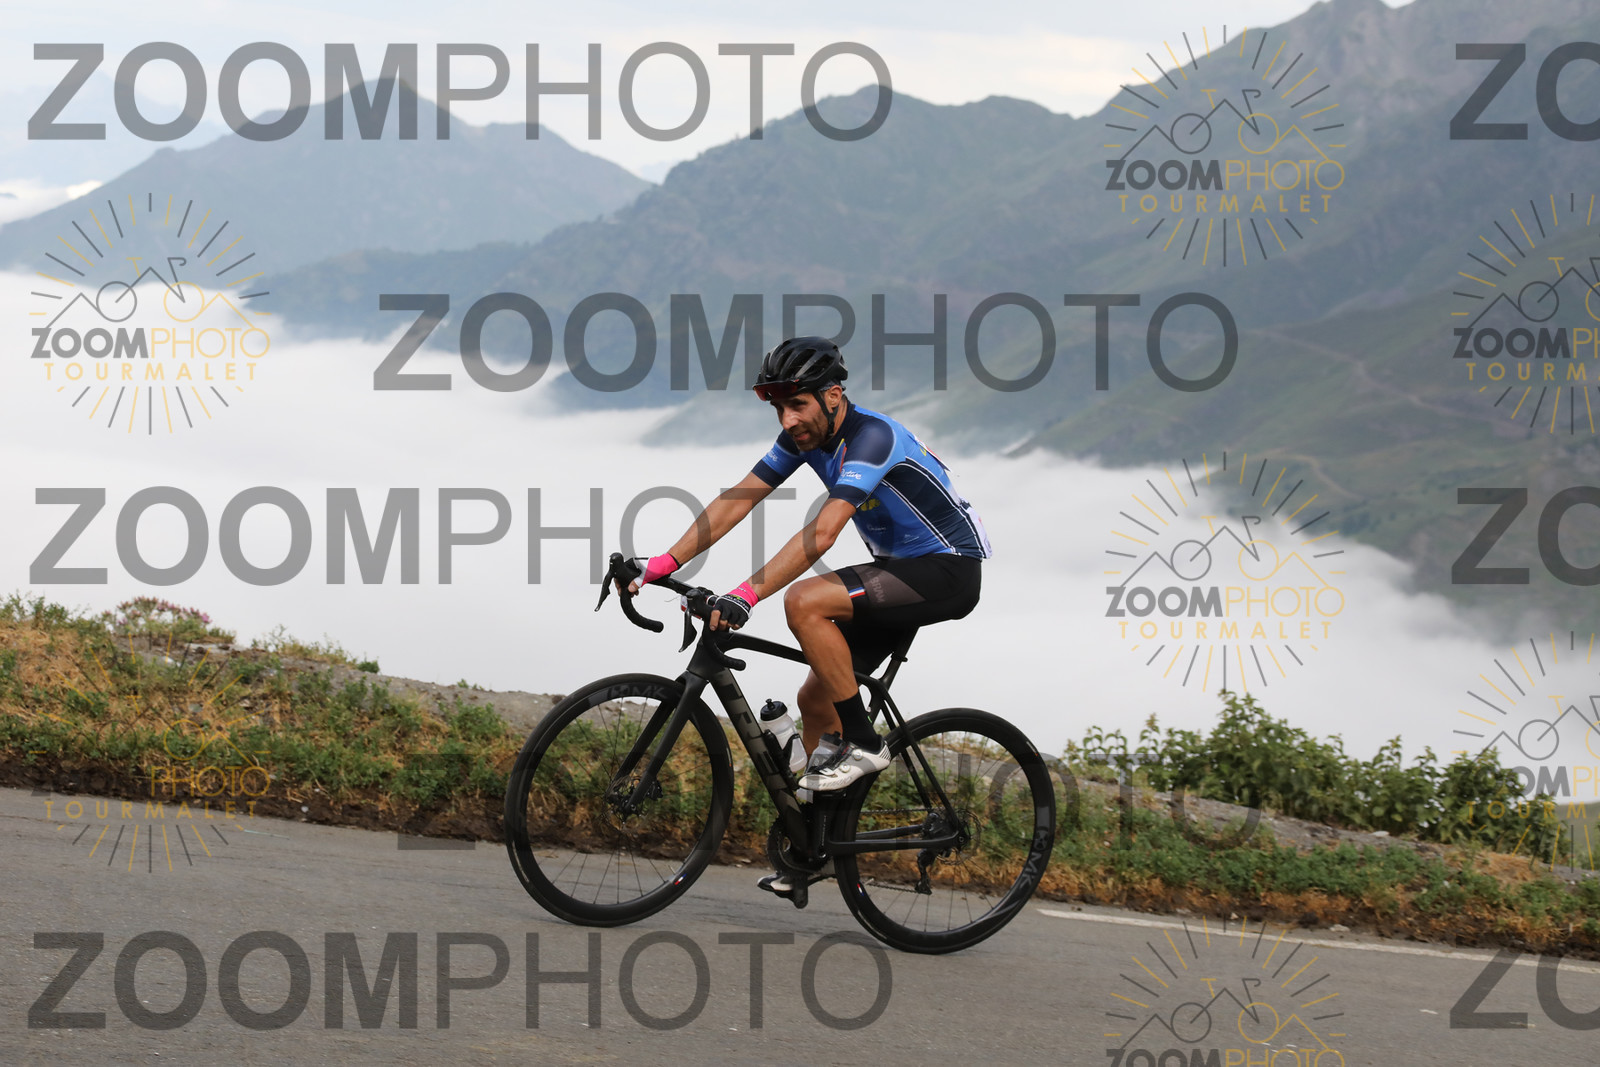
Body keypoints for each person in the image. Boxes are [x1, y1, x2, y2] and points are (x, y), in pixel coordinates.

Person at [627, 336, 991, 898]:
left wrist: (745, 595)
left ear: (833, 396)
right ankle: (816, 847)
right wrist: (664, 562)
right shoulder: (805, 437)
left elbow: (823, 534)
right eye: (779, 408)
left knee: (804, 601)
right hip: (895, 572)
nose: (788, 419)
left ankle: (866, 743)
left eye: (797, 404)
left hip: (947, 569)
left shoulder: (872, 438)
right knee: (816, 701)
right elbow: (739, 498)